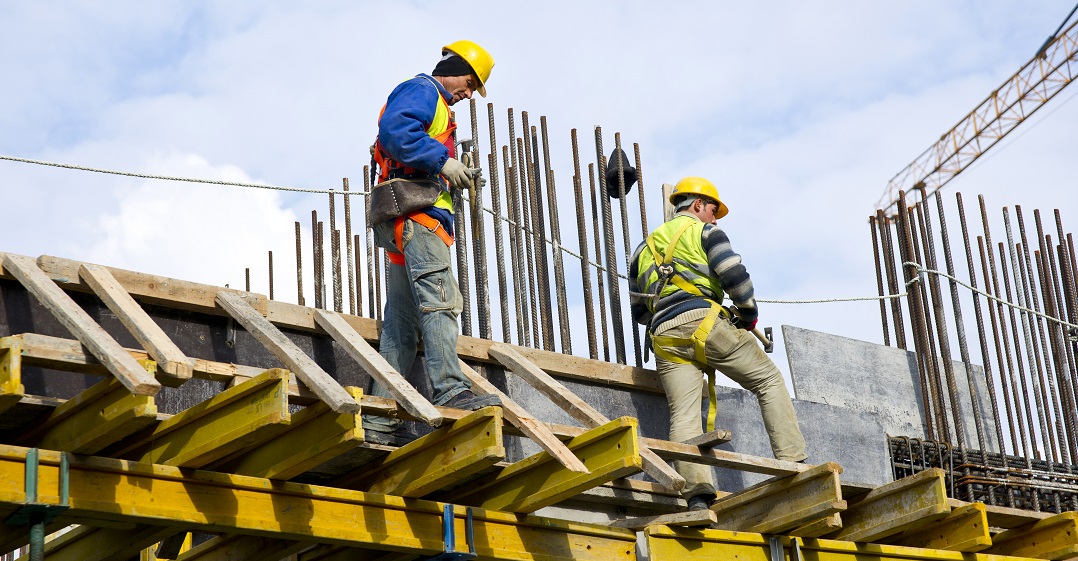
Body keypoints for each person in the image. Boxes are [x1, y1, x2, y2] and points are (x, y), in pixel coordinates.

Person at [628, 176, 807, 510]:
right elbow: (734, 276)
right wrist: (748, 315)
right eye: (712, 210)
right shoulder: (705, 232)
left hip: (664, 337)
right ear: (697, 205)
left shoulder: (641, 250)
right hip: (706, 324)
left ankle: (696, 495)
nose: (714, 218)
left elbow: (639, 311)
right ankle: (794, 463)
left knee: (683, 415)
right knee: (768, 380)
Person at [364, 40, 500, 444]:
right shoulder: (424, 90)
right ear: (453, 67)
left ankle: (379, 419)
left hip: (405, 220)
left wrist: (448, 166)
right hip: (419, 219)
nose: (469, 93)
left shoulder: (438, 106)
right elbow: (396, 132)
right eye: (470, 82)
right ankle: (451, 390)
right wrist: (444, 162)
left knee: (402, 327)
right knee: (441, 302)